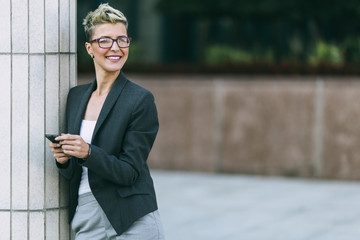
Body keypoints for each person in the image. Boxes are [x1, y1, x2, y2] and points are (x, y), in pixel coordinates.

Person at [48, 3, 165, 239]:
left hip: (131, 219)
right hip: (87, 217)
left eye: (122, 39)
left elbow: (130, 172)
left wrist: (87, 152)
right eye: (105, 41)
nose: (115, 48)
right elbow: (78, 171)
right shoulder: (75, 97)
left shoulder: (140, 100)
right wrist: (64, 160)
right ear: (89, 48)